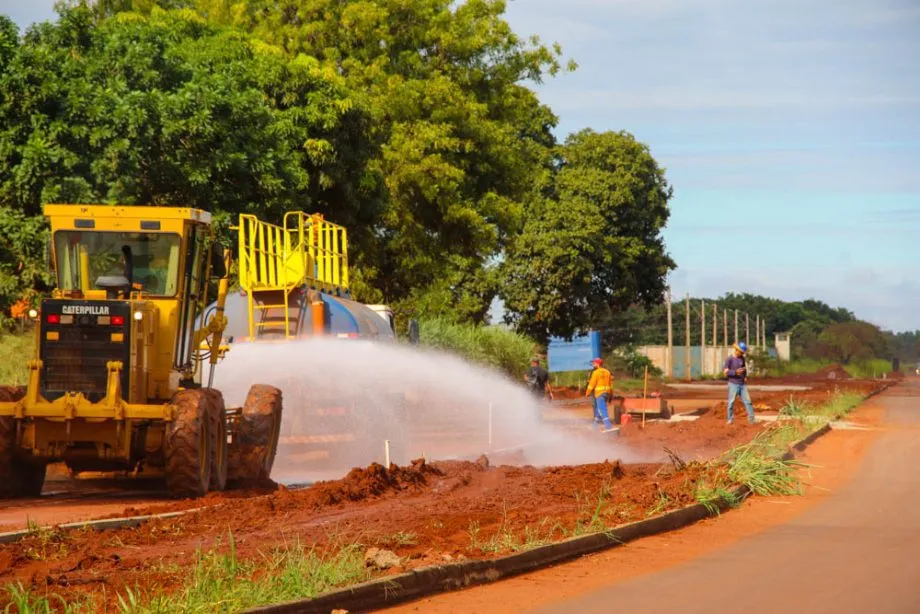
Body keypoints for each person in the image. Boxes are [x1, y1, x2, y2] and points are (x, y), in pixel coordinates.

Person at [723, 342, 756, 425]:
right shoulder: (729, 359)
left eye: (742, 352)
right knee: (731, 402)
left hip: (742, 384)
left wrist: (745, 376)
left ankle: (751, 419)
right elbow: (725, 372)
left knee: (748, 401)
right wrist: (734, 372)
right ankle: (730, 419)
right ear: (736, 350)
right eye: (740, 352)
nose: (741, 353)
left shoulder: (742, 358)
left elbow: (744, 368)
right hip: (733, 383)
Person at [586, 358, 615, 431]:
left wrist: (587, 392)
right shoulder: (607, 372)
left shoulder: (596, 372)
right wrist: (611, 394)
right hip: (606, 393)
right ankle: (595, 425)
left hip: (599, 393)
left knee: (602, 409)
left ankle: (608, 426)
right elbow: (611, 384)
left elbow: (591, 384)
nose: (593, 364)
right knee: (598, 409)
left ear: (598, 364)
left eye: (594, 363)